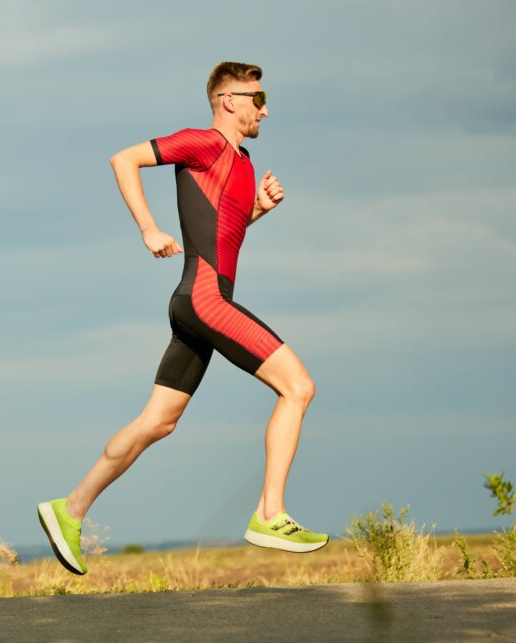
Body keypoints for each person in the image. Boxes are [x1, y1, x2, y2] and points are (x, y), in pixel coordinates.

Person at [37, 62, 327, 575]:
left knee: (158, 421)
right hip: (205, 299)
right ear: (229, 100)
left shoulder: (240, 161)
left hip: (199, 302)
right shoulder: (204, 142)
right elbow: (122, 158)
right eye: (257, 98)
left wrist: (257, 208)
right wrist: (148, 229)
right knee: (298, 387)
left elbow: (220, 231)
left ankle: (70, 508)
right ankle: (270, 513)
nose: (265, 108)